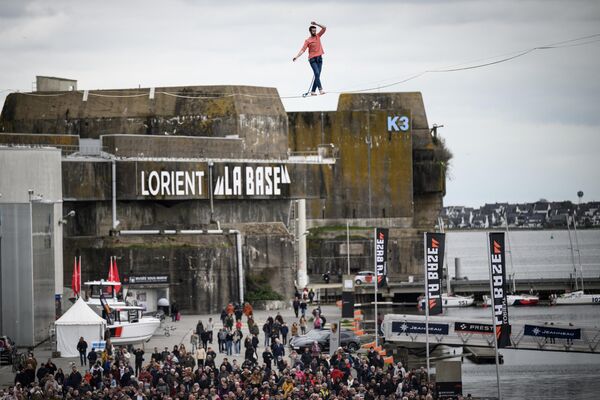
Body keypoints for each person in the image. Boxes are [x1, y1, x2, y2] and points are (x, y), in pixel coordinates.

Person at [293, 21, 327, 96]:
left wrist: (316, 24)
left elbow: (324, 28)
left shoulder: (318, 36)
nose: (314, 32)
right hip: (312, 60)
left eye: (315, 30)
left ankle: (313, 91)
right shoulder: (308, 40)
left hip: (320, 59)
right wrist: (297, 56)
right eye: (313, 31)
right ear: (310, 31)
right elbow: (303, 50)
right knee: (317, 73)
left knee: (317, 75)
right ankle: (320, 90)